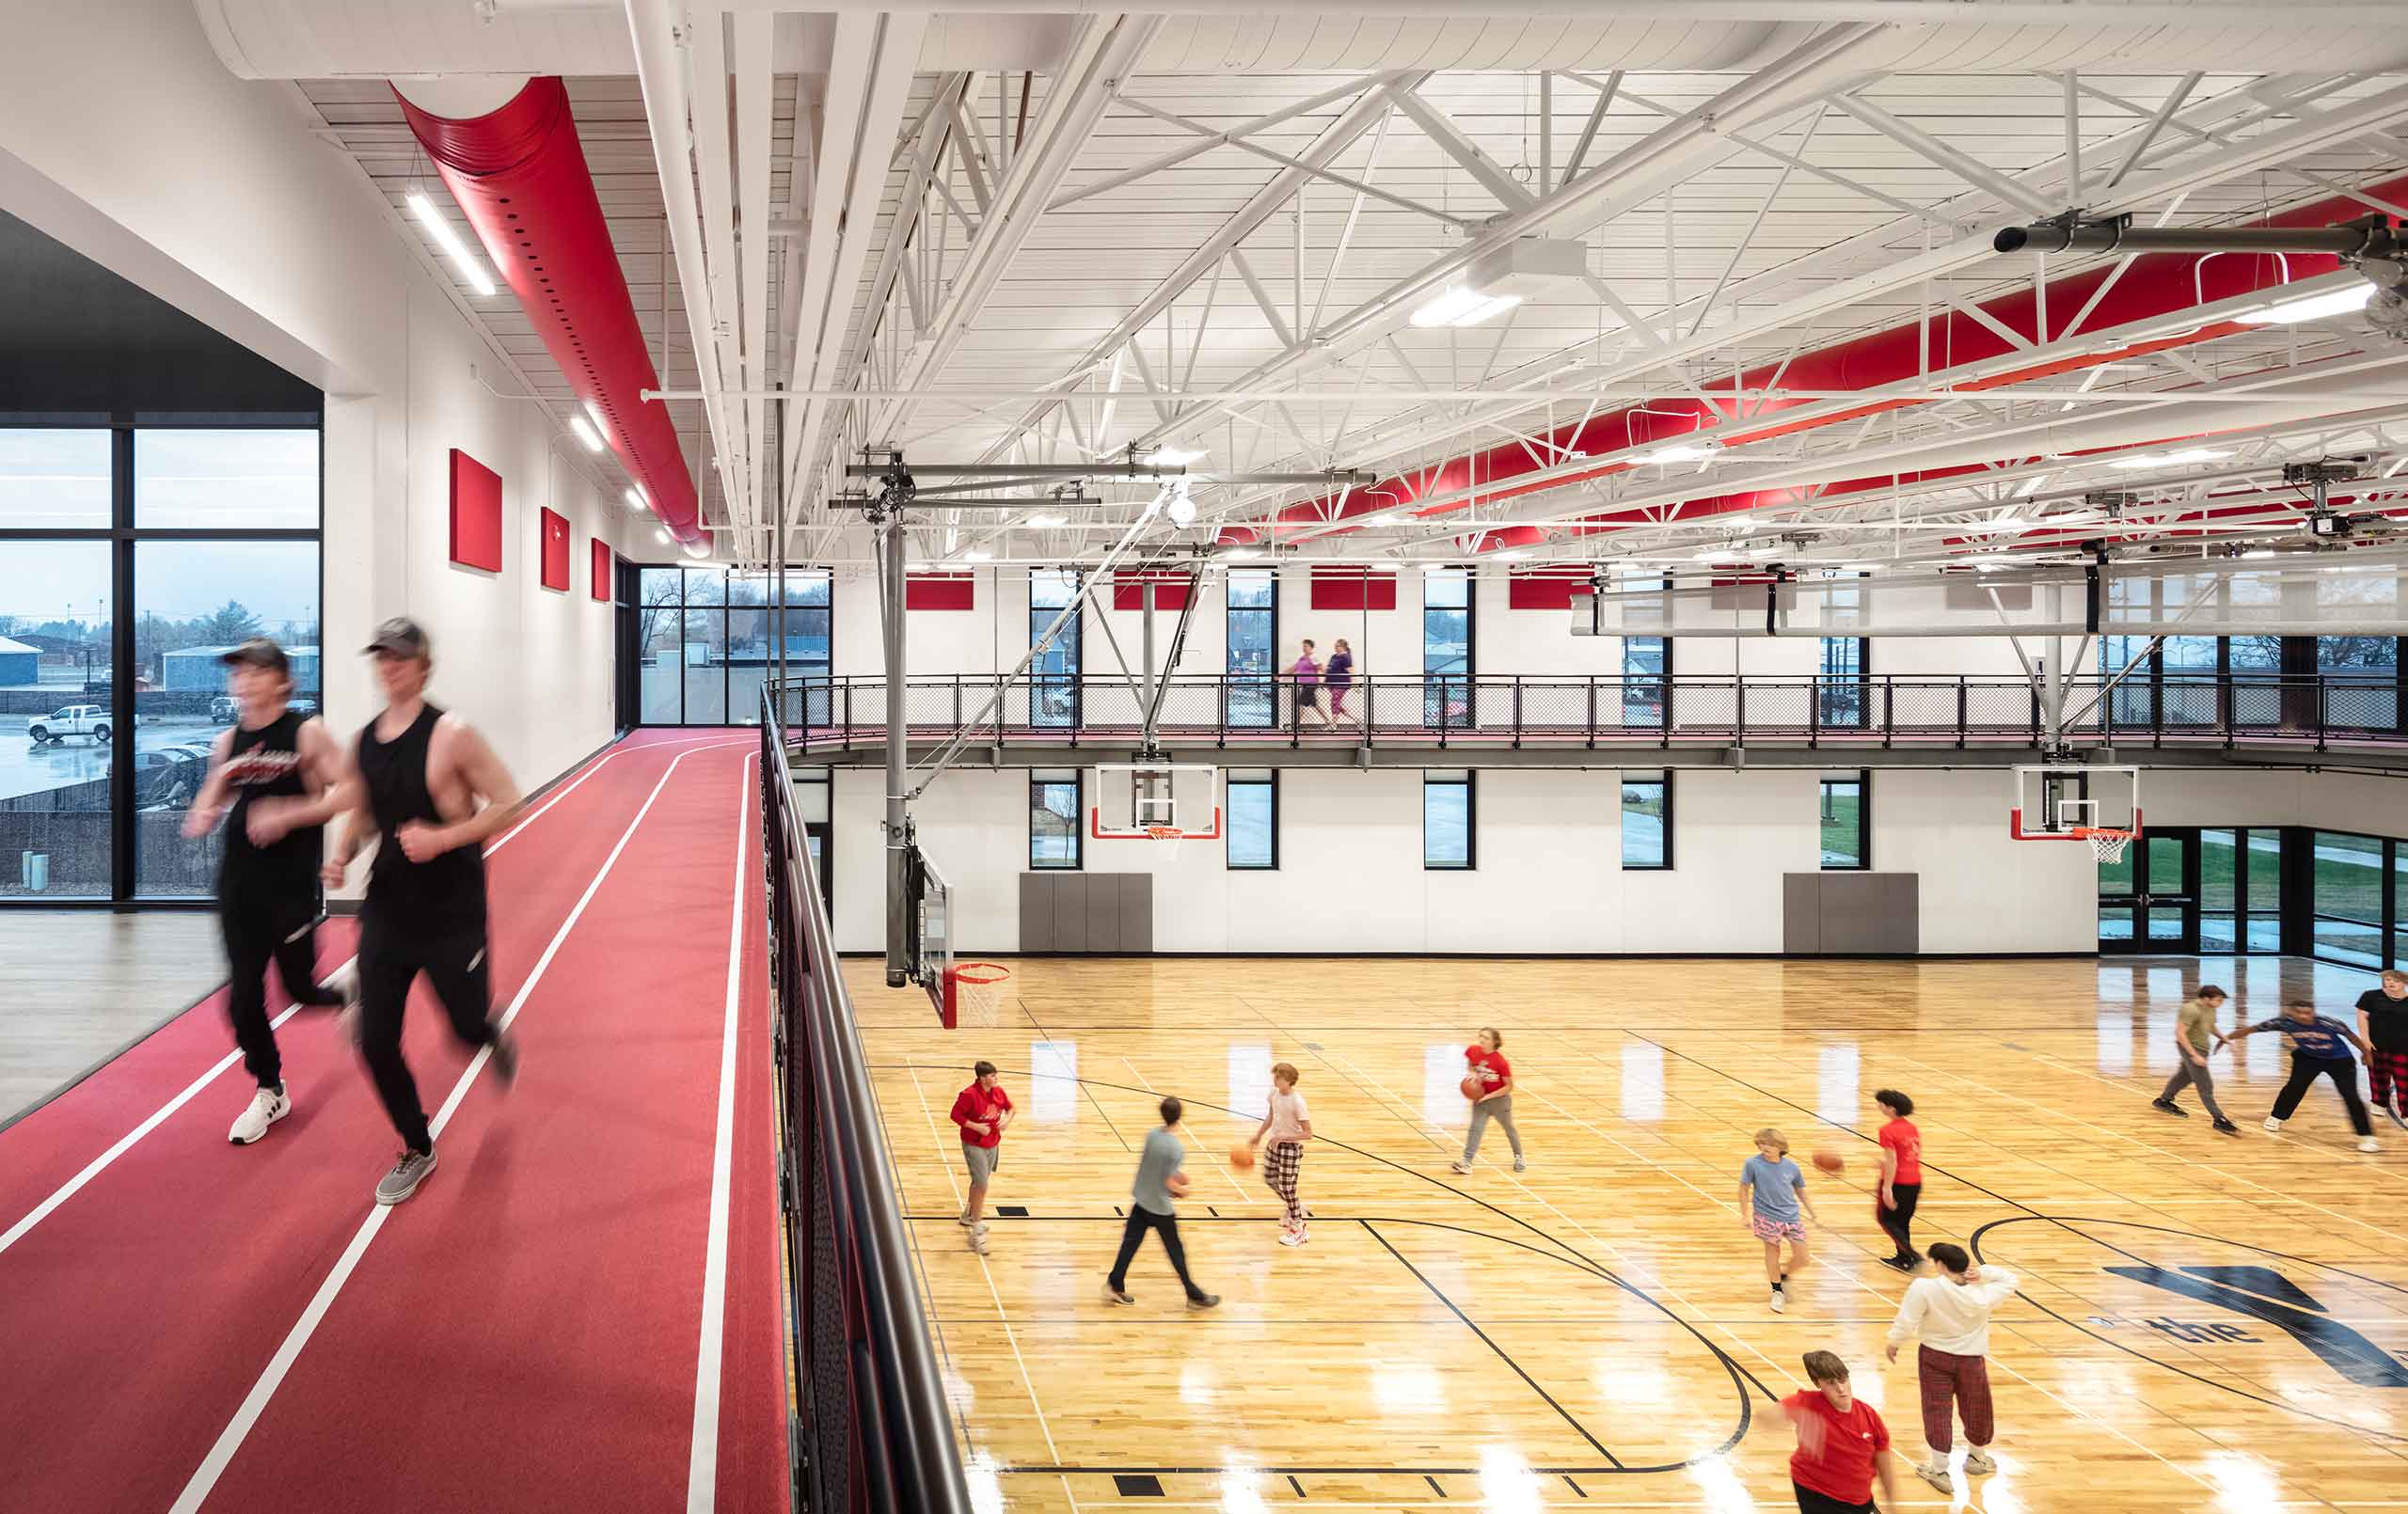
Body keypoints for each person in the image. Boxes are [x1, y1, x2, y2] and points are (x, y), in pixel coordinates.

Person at [323, 618, 525, 1206]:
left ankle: (489, 1032)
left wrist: (444, 838)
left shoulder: (453, 735)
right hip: (387, 909)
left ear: (424, 667)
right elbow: (365, 813)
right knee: (375, 1041)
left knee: (462, 1029)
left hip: (451, 912)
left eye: (401, 658)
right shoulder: (364, 740)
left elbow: (510, 800)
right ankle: (417, 1144)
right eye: (381, 658)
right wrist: (340, 854)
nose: (389, 667)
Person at [181, 639, 349, 1144]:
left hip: (290, 884)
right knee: (242, 997)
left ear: (281, 680)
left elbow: (351, 789)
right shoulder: (227, 740)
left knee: (299, 989)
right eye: (239, 673)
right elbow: (215, 790)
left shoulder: (306, 732)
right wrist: (203, 811)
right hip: (238, 882)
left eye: (257, 672)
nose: (245, 682)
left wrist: (290, 815)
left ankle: (349, 993)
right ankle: (270, 1088)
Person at [1884, 1241, 2018, 1495]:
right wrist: (1985, 1273)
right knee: (1976, 1406)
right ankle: (1977, 1458)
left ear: (1942, 1265)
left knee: (1937, 1410)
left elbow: (1907, 1320)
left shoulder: (1924, 1288)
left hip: (1934, 1357)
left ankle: (1939, 1469)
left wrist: (1894, 1342)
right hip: (1972, 1360)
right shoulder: (1983, 1293)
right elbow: (2011, 1280)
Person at [1104, 1096, 1220, 1309]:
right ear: (1179, 1117)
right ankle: (1193, 1295)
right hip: (1159, 1207)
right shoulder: (1175, 1147)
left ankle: (1115, 1283)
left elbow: (1156, 1166)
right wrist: (1182, 1190)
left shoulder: (1152, 1135)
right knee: (1175, 1250)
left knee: (1129, 1245)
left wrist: (1178, 1175)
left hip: (1141, 1199)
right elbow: (1167, 1180)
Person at [2229, 999, 2379, 1153]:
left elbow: (2351, 1036)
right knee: (2295, 1087)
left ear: (2313, 1012)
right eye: (2299, 1013)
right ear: (2292, 1014)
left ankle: (2367, 1136)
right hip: (2309, 1058)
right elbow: (2252, 1029)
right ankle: (2277, 1117)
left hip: (2339, 1060)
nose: (2304, 1016)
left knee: (2350, 1095)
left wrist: (2366, 1053)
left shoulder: (2329, 1023)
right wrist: (2226, 1038)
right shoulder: (2284, 1023)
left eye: (2307, 1013)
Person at [1782, 1349, 1901, 1514]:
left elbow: (1885, 1465)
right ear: (1818, 1383)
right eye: (1831, 1383)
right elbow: (1770, 1414)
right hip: (1816, 1493)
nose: (1840, 1388)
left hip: (1860, 1501)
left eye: (1843, 1380)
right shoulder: (1808, 1404)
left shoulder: (1870, 1416)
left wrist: (1893, 1506)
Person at [1740, 1128, 1817, 1314]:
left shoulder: (1792, 1167)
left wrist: (1812, 1211)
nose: (1763, 1147)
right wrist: (1744, 1214)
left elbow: (1800, 1190)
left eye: (1768, 1144)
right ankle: (1777, 1290)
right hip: (1766, 1215)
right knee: (1772, 1251)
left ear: (1780, 1146)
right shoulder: (1752, 1164)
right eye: (1760, 1144)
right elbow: (1743, 1188)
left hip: (1791, 1216)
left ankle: (1783, 1276)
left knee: (1803, 1257)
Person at [2151, 984, 2238, 1134]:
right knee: (2205, 1085)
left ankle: (2164, 1100)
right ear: (2206, 998)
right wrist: (2193, 1055)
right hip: (2190, 1048)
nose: (2220, 1003)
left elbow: (2210, 1026)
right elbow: (2180, 1033)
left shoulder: (2211, 1008)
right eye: (2218, 1000)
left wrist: (2225, 1039)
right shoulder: (2190, 1009)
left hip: (2202, 1049)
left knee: (2184, 1076)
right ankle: (2219, 1119)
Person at [950, 1060, 1014, 1246]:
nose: (996, 1079)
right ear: (982, 1078)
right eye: (993, 1076)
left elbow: (1011, 1108)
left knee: (979, 1181)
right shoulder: (969, 1095)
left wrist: (1006, 1120)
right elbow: (955, 1115)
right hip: (974, 1143)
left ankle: (968, 1215)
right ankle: (976, 1226)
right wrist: (976, 1126)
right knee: (982, 1184)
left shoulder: (998, 1092)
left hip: (992, 1142)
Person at [1248, 1061, 1313, 1245]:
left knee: (1287, 1187)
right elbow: (1271, 1115)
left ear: (1288, 1080)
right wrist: (1258, 1135)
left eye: (1278, 1077)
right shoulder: (1274, 1093)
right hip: (1274, 1143)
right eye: (1274, 1076)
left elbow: (1308, 1134)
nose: (1274, 1080)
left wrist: (1285, 1137)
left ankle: (1299, 1228)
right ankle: (1294, 1207)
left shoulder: (1297, 1102)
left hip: (1291, 1148)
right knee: (1269, 1178)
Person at [1451, 1027, 1526, 1175]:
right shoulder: (1473, 1050)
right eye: (1481, 1036)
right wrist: (1472, 1072)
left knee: (1509, 1129)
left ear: (1494, 1042)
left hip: (1500, 1101)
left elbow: (1509, 1086)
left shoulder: (1501, 1063)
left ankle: (1519, 1157)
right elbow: (1471, 1064)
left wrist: (1489, 1096)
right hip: (1481, 1100)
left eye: (1486, 1038)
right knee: (1475, 1129)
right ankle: (1466, 1162)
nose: (1482, 1040)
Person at [1873, 1089, 1922, 1273]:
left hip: (1897, 1182)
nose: (1879, 1106)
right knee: (1902, 1221)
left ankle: (1913, 1255)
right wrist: (1883, 1163)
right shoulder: (1912, 1128)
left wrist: (1887, 1189)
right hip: (1914, 1180)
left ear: (1891, 1109)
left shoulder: (1887, 1130)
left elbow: (1893, 1160)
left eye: (1881, 1104)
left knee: (1885, 1220)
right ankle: (1904, 1260)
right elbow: (1906, 1154)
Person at [2358, 969, 2408, 1130]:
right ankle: (2379, 1102)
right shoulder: (2371, 996)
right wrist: (2365, 1039)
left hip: (2403, 1047)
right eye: (2387, 980)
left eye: (2395, 980)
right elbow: (2362, 1017)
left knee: (2404, 1082)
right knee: (2378, 1075)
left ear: (2405, 983)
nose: (2390, 983)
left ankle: (2406, 1113)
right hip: (2377, 1045)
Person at [1291, 639, 1324, 729]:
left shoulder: (1313, 657)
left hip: (1311, 684)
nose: (1304, 648)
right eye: (1303, 646)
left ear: (1311, 647)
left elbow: (1321, 668)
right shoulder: (1302, 658)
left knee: (1301, 703)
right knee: (1315, 705)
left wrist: (1325, 680)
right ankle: (1329, 722)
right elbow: (1294, 668)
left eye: (1306, 646)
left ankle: (1295, 725)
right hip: (1305, 684)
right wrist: (1280, 676)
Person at [1323, 638, 1356, 729]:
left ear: (1343, 647)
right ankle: (1356, 719)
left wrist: (1355, 684)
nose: (1335, 647)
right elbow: (1329, 668)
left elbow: (1350, 670)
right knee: (1336, 704)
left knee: (1334, 702)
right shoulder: (1334, 656)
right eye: (1335, 645)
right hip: (1331, 683)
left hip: (1341, 683)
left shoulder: (1345, 657)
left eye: (1337, 646)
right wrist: (1324, 680)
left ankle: (1333, 724)